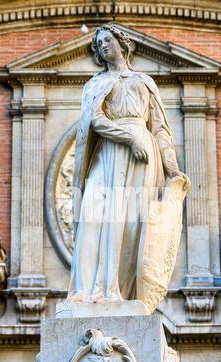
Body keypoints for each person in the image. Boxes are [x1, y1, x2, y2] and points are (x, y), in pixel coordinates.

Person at [67, 25, 188, 303]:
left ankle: (119, 291)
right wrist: (127, 138)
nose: (104, 46)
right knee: (93, 215)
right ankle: (89, 290)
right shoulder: (94, 85)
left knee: (131, 222)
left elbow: (160, 130)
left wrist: (172, 169)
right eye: (99, 44)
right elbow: (94, 120)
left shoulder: (144, 82)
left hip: (142, 156)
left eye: (108, 40)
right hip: (109, 150)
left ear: (122, 43)